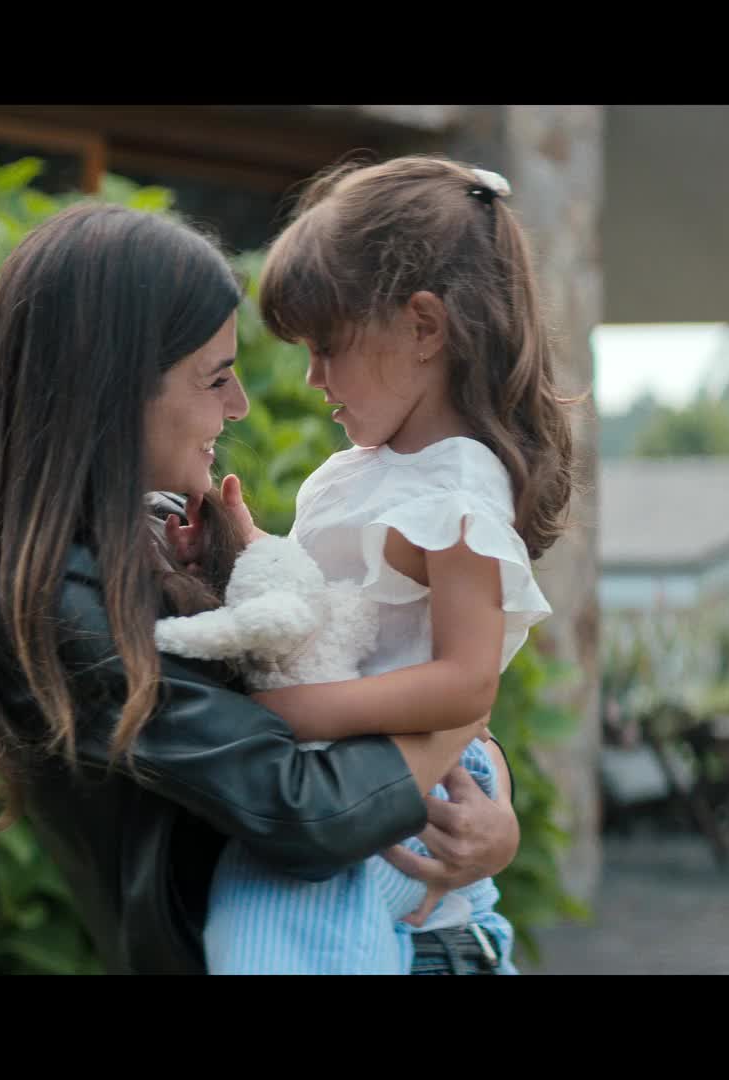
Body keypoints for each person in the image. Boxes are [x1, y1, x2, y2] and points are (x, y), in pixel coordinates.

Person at [0, 201, 521, 975]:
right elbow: (305, 806)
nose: (239, 406)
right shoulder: (69, 607)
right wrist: (461, 715)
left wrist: (491, 802)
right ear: (112, 393)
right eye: (215, 379)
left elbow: (354, 673)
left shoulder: (149, 544)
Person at [182, 155, 574, 975]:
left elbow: (467, 684)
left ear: (424, 328)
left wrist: (292, 714)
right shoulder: (369, 472)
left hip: (407, 775)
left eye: (327, 346)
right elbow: (334, 613)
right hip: (366, 764)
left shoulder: (456, 486)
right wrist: (245, 549)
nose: (312, 376)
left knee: (270, 924)